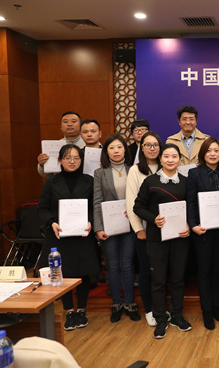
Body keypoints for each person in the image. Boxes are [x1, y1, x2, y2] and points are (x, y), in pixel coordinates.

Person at [133, 143, 192, 339]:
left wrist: (189, 225)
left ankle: (177, 315)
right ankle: (160, 318)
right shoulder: (150, 181)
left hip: (180, 237)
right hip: (156, 238)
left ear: (179, 160)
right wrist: (153, 219)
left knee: (178, 278)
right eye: (166, 156)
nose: (170, 160)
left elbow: (192, 207)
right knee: (158, 280)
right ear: (161, 159)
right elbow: (138, 207)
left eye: (174, 156)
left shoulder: (186, 182)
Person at [37, 144, 99, 331]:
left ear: (81, 160)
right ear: (60, 160)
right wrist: (51, 223)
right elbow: (42, 208)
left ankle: (82, 308)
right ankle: (69, 310)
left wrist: (91, 221)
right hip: (59, 234)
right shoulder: (51, 182)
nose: (72, 161)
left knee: (83, 271)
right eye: (67, 158)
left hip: (82, 233)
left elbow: (94, 206)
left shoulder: (89, 181)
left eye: (76, 158)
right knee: (61, 271)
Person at [93, 134, 140, 323]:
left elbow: (139, 197)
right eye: (111, 148)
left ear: (125, 150)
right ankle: (116, 304)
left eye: (119, 147)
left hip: (129, 224)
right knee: (112, 266)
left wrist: (134, 210)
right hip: (109, 227)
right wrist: (98, 228)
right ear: (106, 152)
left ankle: (130, 303)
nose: (116, 151)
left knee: (127, 265)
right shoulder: (100, 173)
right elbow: (97, 202)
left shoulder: (133, 170)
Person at [186, 137, 219, 330]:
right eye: (209, 150)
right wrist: (193, 225)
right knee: (204, 271)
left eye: (216, 150)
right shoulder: (194, 173)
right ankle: (206, 311)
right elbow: (190, 202)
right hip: (202, 231)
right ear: (203, 153)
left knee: (217, 270)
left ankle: (216, 308)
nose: (213, 154)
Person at [126, 131, 162, 327]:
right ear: (142, 148)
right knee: (147, 272)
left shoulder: (167, 166)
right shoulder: (135, 171)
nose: (152, 148)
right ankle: (149, 309)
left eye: (155, 144)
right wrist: (138, 229)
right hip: (145, 231)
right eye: (147, 145)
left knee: (162, 272)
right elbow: (132, 203)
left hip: (166, 230)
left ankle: (161, 308)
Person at [37, 111, 86, 177]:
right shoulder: (54, 146)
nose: (69, 124)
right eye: (65, 122)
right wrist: (42, 164)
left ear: (81, 126)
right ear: (61, 127)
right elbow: (46, 174)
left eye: (73, 121)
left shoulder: (89, 144)